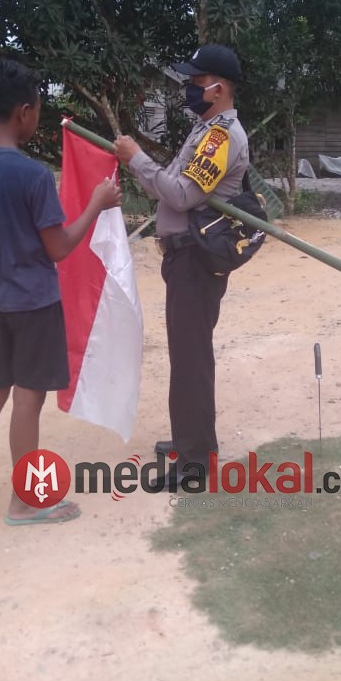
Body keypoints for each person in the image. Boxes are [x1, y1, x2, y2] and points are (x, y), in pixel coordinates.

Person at [0, 57, 121, 524]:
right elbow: (60, 247)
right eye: (38, 108)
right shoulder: (32, 175)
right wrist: (95, 204)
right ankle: (25, 501)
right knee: (28, 400)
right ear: (24, 110)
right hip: (33, 303)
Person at [113, 44, 249, 489]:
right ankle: (192, 442)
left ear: (219, 88)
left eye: (196, 81)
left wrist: (135, 158)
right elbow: (171, 189)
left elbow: (181, 195)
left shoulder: (221, 137)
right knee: (187, 354)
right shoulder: (205, 129)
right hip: (185, 254)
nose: (189, 88)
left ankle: (194, 465)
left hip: (196, 257)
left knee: (190, 358)